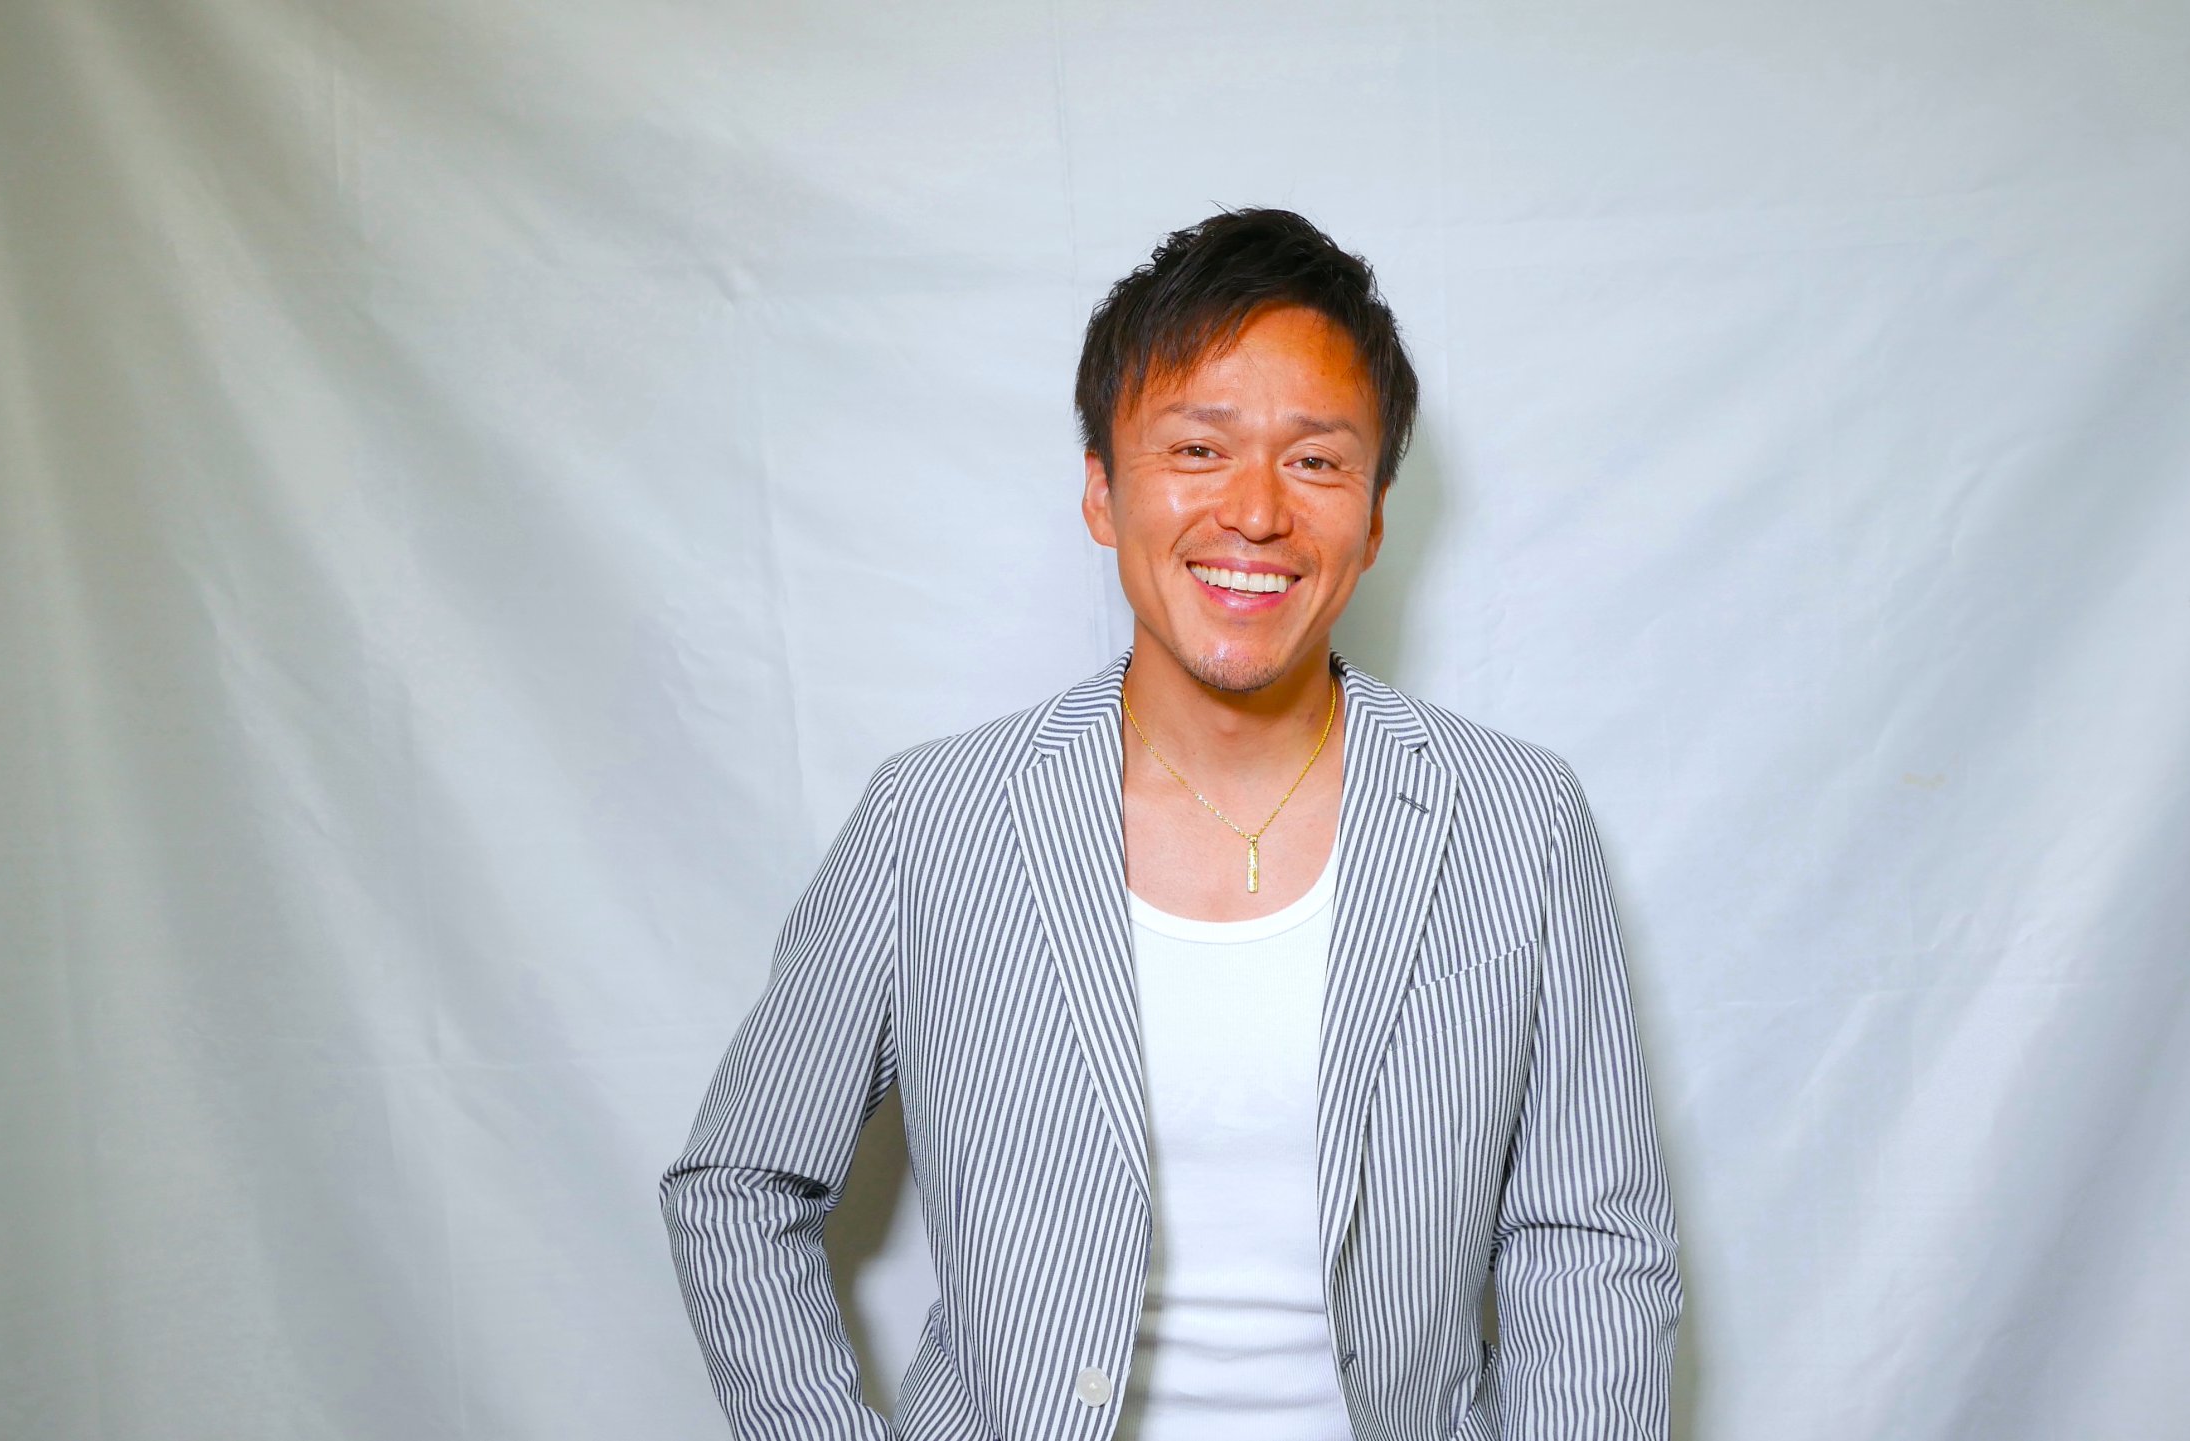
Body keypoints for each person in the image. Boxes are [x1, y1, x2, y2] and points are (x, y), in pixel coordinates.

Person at [660, 207, 1683, 1441]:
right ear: (1102, 490)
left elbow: (1592, 1243)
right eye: (1198, 449)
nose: (1254, 512)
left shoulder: (1514, 822)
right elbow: (738, 1184)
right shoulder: (933, 821)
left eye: (1316, 462)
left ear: (1373, 515)